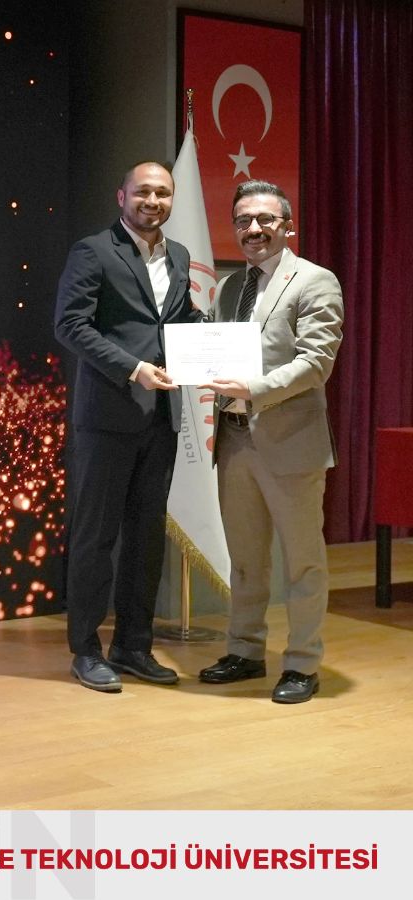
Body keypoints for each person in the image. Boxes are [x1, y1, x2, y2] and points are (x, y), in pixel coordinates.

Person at [54, 160, 201, 692]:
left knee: (146, 537)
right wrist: (133, 368)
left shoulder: (178, 255)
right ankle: (86, 649)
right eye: (143, 192)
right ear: (122, 197)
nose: (152, 201)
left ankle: (134, 645)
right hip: (107, 418)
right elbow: (70, 324)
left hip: (161, 418)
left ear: (171, 199)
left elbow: (178, 322)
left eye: (162, 193)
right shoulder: (93, 251)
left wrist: (219, 342)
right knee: (96, 538)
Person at [198, 179, 343, 704]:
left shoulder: (315, 281)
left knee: (302, 561)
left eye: (265, 220)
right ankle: (245, 651)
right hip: (234, 441)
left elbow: (316, 363)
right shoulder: (227, 288)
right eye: (243, 221)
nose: (253, 229)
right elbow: (215, 352)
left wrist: (253, 389)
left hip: (291, 443)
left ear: (288, 226)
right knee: (245, 559)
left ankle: (302, 662)